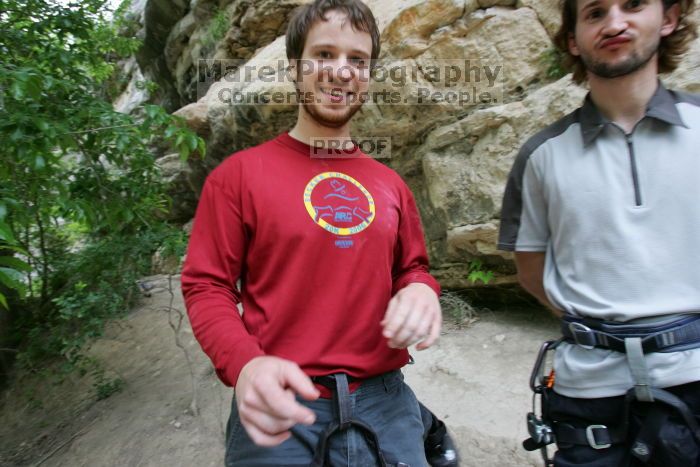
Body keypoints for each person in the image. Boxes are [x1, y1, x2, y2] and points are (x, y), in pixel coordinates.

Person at [181, 1, 458, 465]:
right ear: (295, 67)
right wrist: (244, 363)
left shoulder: (391, 184)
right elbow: (206, 285)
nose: (341, 71)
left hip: (386, 404)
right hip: (282, 407)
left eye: (356, 59)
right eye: (324, 55)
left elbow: (413, 268)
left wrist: (422, 291)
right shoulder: (238, 176)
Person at [498, 0, 699, 465]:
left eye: (632, 5)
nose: (614, 23)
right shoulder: (542, 155)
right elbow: (531, 268)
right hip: (589, 392)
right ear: (573, 39)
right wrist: (597, 324)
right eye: (594, 13)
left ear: (668, 18)